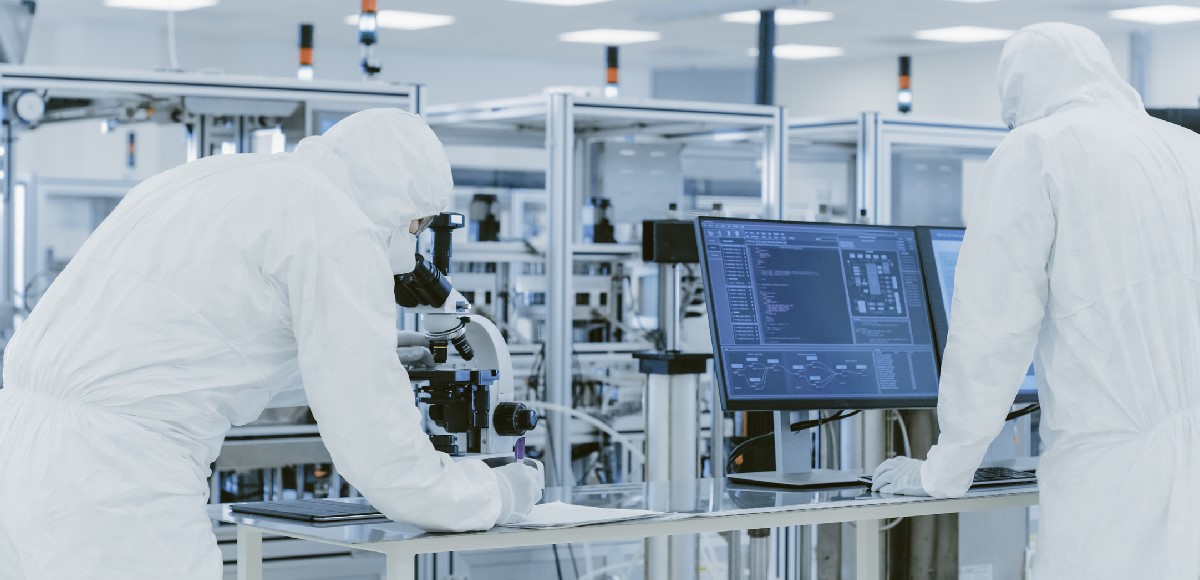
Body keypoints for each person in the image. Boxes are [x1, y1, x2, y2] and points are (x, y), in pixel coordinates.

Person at [0, 109, 544, 579]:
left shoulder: (222, 177)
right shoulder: (338, 224)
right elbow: (386, 461)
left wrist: (367, 345)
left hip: (18, 449)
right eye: (417, 223)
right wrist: (499, 492)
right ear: (401, 210)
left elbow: (206, 341)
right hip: (113, 481)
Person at [871, 22, 1200, 578]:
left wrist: (943, 469)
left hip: (1112, 469)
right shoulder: (1188, 149)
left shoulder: (1038, 147)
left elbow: (992, 330)